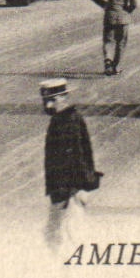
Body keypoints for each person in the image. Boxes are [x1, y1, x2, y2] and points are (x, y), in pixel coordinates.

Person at [42, 79, 101, 253]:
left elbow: (78, 155)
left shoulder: (68, 121)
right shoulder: (62, 119)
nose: (48, 104)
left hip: (69, 190)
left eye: (52, 100)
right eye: (46, 100)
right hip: (62, 189)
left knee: (71, 235)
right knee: (57, 234)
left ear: (63, 98)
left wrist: (80, 187)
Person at [90, 0, 136, 75]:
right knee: (121, 42)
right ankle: (116, 66)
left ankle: (108, 61)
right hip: (123, 17)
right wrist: (127, 11)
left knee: (108, 40)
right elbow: (134, 4)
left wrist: (105, 5)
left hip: (109, 15)